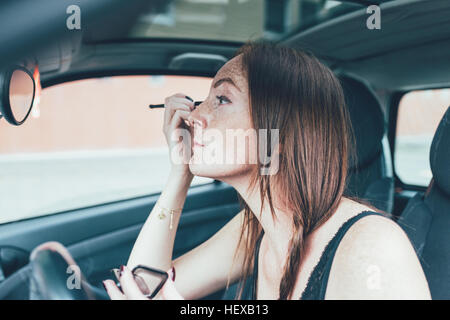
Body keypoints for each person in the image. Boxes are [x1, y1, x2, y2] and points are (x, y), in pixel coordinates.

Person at [103, 42, 430, 300]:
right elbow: (146, 287)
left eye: (221, 99)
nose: (195, 115)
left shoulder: (371, 249)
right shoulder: (256, 230)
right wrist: (179, 172)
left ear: (282, 131)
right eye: (203, 99)